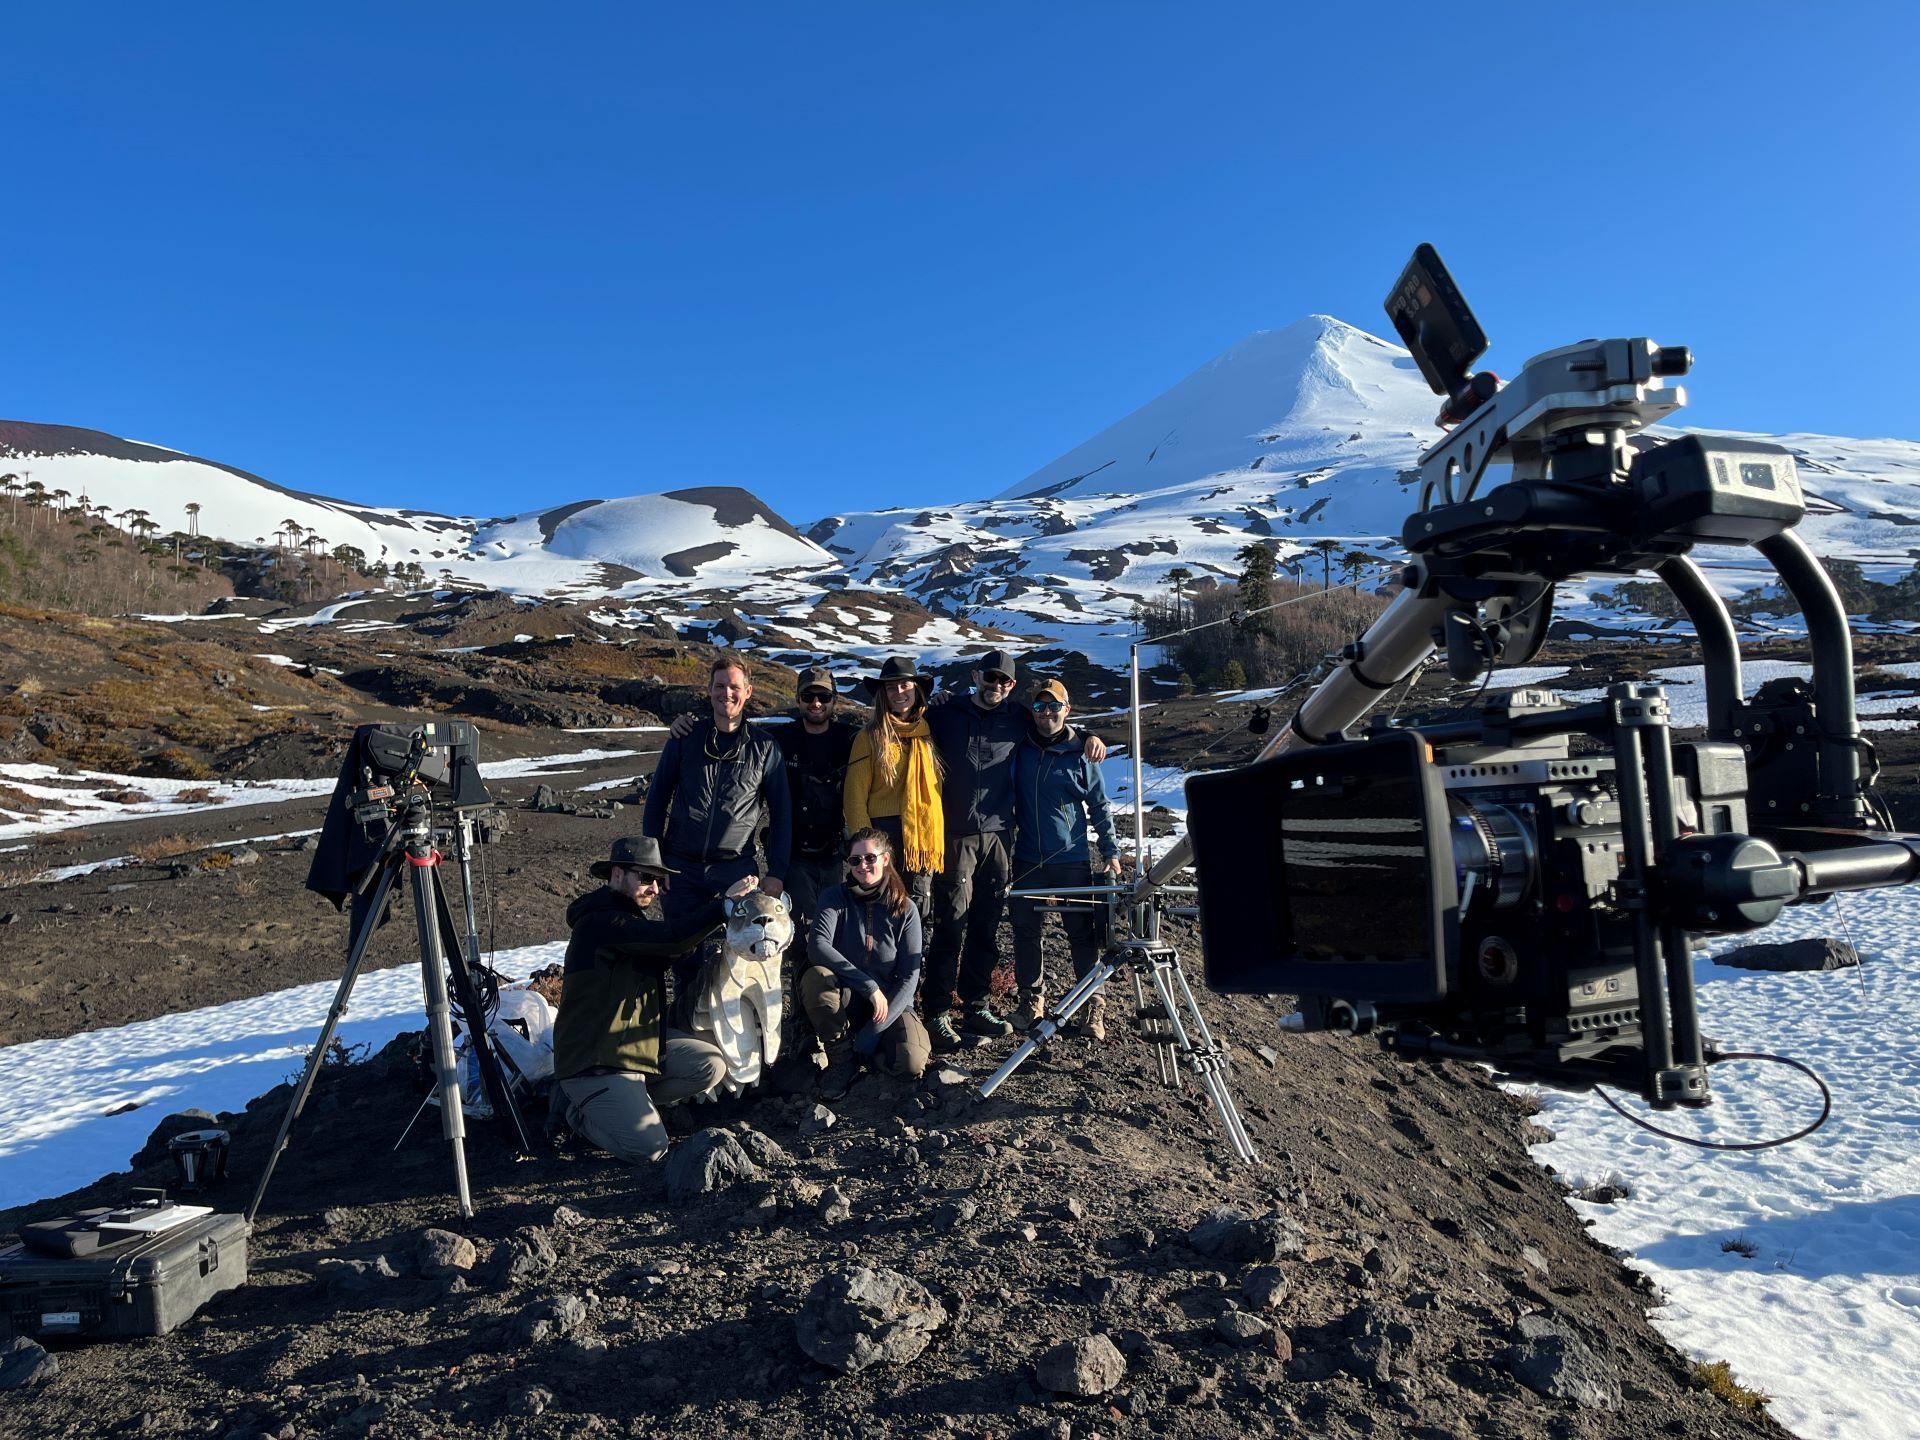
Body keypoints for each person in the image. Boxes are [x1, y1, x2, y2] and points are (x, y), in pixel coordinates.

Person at [922, 649, 1106, 1052]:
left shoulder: (1018, 716)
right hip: (955, 835)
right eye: (990, 677)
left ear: (1012, 686)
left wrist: (1090, 735)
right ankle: (937, 1010)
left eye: (1004, 681)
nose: (997, 685)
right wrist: (933, 699)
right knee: (950, 923)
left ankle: (976, 1005)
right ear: (976, 676)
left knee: (986, 923)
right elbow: (908, 725)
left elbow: (1056, 725)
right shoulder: (946, 712)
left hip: (1000, 838)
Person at [549, 837, 742, 1163]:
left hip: (632, 1050)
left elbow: (668, 947)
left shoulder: (629, 922)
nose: (654, 888)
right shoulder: (601, 921)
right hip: (596, 1061)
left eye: (659, 880)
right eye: (646, 877)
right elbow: (669, 940)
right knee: (650, 1149)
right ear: (617, 874)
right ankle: (579, 1117)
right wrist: (721, 907)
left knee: (709, 1065)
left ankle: (623, 1105)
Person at [643, 655, 791, 1023]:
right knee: (684, 958)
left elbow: (782, 815)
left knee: (738, 956)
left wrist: (777, 872)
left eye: (734, 687)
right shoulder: (684, 739)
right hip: (680, 868)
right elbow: (657, 800)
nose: (727, 693)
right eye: (720, 685)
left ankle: (737, 1037)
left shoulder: (765, 748)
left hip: (736, 871)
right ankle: (685, 1033)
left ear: (748, 692)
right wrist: (653, 863)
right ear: (709, 690)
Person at [670, 664, 854, 933]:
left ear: (834, 700)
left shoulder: (850, 739)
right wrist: (685, 724)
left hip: (833, 855)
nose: (816, 703)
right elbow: (733, 727)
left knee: (832, 929)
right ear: (797, 699)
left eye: (824, 697)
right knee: (793, 933)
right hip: (792, 858)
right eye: (808, 696)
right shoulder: (776, 739)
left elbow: (887, 733)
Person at [1009, 678, 1122, 1038]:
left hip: (1071, 860)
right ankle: (1031, 1003)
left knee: (1081, 934)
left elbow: (1099, 805)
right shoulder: (1021, 747)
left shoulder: (1082, 754)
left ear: (1067, 710)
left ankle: (1093, 1007)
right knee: (1026, 932)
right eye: (1039, 706)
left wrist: (1111, 851)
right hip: (1027, 859)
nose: (1046, 713)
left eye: (1054, 706)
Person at [802, 826, 932, 1097]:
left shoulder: (906, 908)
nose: (863, 865)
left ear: (885, 859)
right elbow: (818, 946)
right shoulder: (834, 898)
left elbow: (910, 977)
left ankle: (866, 1056)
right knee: (817, 979)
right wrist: (868, 986)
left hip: (890, 1003)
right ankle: (841, 1058)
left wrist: (873, 1032)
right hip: (847, 997)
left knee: (911, 1063)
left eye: (870, 858)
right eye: (855, 860)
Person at [843, 655, 943, 919]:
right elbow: (854, 796)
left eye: (905, 685)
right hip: (882, 835)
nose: (899, 692)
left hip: (920, 835)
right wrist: (867, 848)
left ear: (916, 689)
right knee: (880, 909)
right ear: (883, 695)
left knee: (916, 909)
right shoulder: (869, 737)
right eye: (891, 687)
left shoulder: (927, 734)